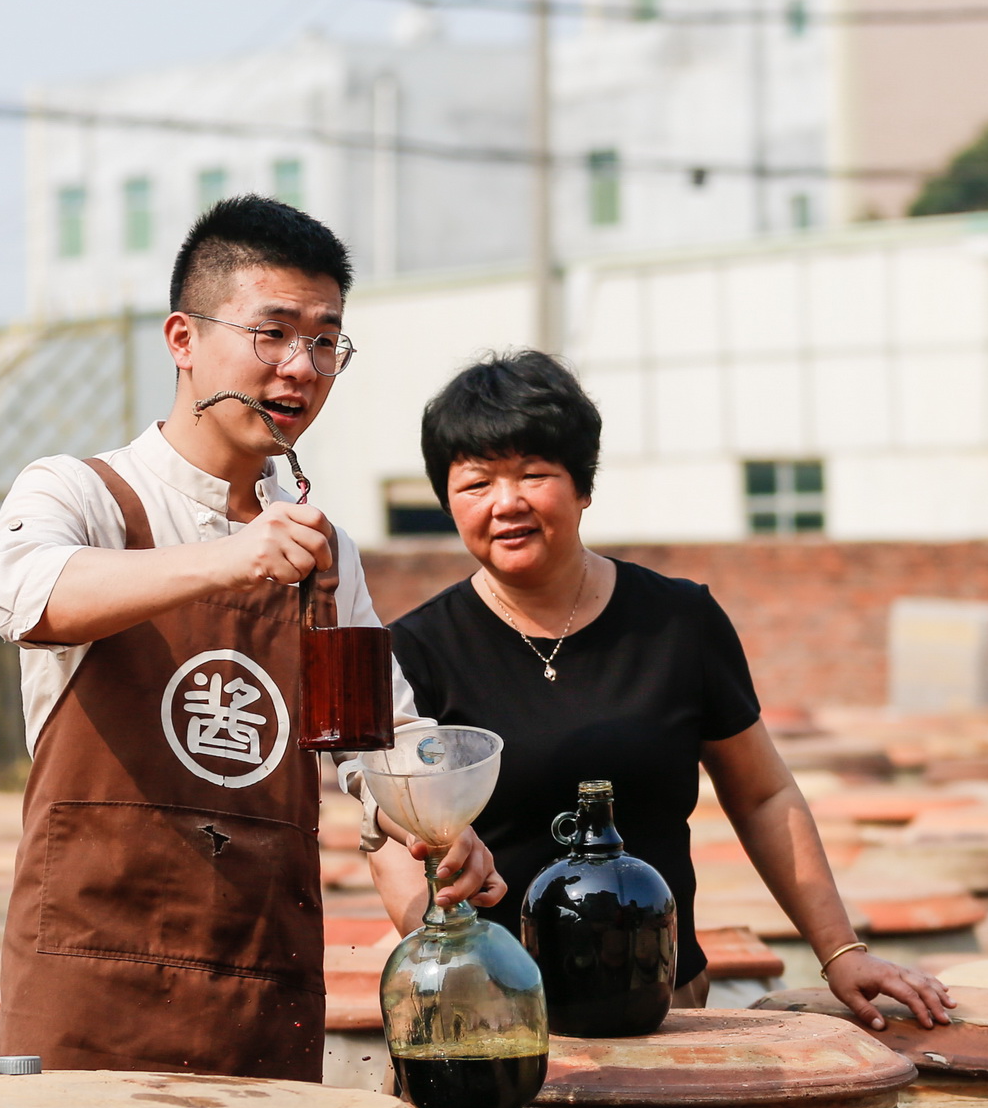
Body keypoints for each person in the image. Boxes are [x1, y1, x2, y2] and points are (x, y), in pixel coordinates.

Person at [0, 196, 498, 1080]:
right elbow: (27, 593)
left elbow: (375, 740)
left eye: (326, 340)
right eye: (272, 333)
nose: (301, 367)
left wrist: (435, 825)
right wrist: (229, 558)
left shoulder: (320, 548)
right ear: (182, 338)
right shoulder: (85, 494)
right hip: (88, 981)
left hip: (261, 976)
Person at [366, 350, 950, 1029]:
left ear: (582, 487)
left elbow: (763, 794)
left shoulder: (678, 620)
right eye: (475, 483)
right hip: (494, 1014)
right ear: (446, 500)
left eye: (533, 474)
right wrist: (447, 974)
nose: (506, 503)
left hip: (661, 1003)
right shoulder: (413, 649)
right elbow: (387, 832)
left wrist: (840, 949)